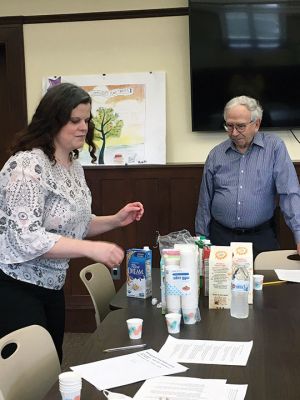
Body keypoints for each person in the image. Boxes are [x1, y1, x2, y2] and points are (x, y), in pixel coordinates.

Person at [0, 83, 144, 362]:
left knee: (54, 361)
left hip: (52, 284)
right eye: (74, 120)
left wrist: (115, 220)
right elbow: (27, 237)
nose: (83, 127)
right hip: (17, 285)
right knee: (29, 372)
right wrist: (91, 250)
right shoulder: (27, 166)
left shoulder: (72, 164)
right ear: (52, 120)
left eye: (87, 120)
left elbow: (74, 225)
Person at [195, 95, 300, 258]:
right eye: (229, 126)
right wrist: (201, 240)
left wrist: (299, 234)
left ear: (256, 124)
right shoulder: (216, 154)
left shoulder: (274, 148)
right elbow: (205, 201)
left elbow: (289, 193)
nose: (234, 133)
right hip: (221, 238)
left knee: (265, 283)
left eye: (241, 126)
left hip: (260, 237)